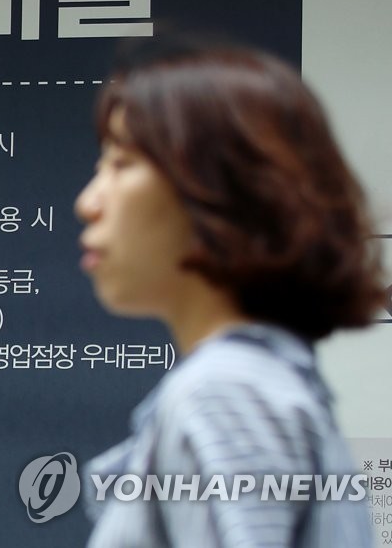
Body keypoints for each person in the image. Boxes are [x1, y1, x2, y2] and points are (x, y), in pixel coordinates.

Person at [74, 34, 384, 547]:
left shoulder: (222, 393)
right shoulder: (255, 381)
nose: (88, 202)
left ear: (217, 189)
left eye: (122, 164)